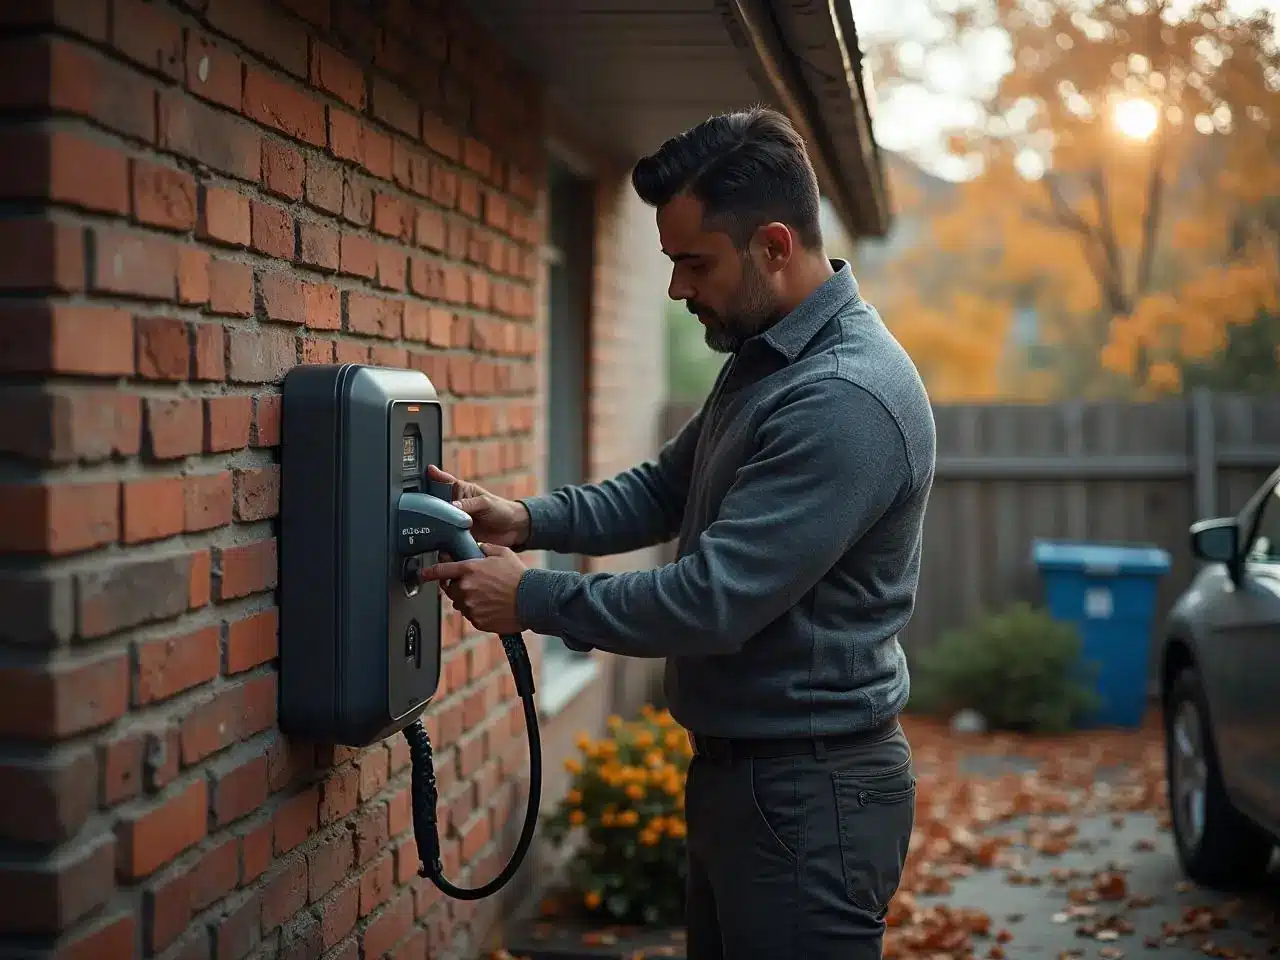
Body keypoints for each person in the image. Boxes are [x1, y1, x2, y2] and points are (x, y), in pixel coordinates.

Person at [419, 106, 936, 960]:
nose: (676, 288)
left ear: (774, 246)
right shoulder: (770, 358)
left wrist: (533, 598)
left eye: (694, 263)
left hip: (810, 794)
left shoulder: (844, 396)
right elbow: (666, 488)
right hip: (750, 777)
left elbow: (713, 603)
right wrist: (527, 518)